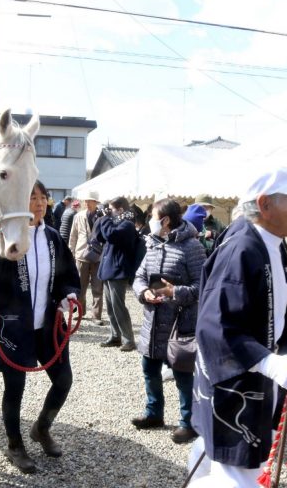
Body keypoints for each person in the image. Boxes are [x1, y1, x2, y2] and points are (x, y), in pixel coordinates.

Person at [189, 167, 287, 487]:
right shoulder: (242, 248)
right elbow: (215, 325)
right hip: (237, 378)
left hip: (257, 376)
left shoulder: (273, 242)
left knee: (214, 457)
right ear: (265, 204)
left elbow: (259, 301)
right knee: (237, 472)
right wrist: (269, 361)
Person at [0, 180, 80, 474]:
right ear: (19, 200)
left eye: (44, 197)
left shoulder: (53, 238)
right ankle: (14, 443)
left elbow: (68, 275)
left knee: (63, 379)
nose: (40, 202)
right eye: (32, 197)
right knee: (15, 387)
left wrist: (69, 295)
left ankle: (42, 428)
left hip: (48, 324)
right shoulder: (2, 236)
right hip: (14, 325)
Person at [131, 198, 206, 444]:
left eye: (153, 216)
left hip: (180, 322)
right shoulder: (152, 243)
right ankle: (154, 414)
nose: (149, 220)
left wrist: (176, 292)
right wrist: (144, 292)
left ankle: (189, 422)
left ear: (165, 220)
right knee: (149, 370)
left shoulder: (191, 246)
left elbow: (202, 287)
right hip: (153, 320)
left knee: (183, 375)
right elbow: (140, 275)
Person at [95, 196, 140, 351]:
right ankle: (115, 336)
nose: (109, 211)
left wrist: (106, 219)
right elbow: (99, 236)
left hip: (118, 271)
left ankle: (129, 339)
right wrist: (101, 219)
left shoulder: (127, 225)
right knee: (110, 306)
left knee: (118, 306)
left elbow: (111, 236)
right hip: (109, 269)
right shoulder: (114, 222)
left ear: (121, 209)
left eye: (112, 209)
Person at [69, 190, 104, 324]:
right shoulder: (78, 216)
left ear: (96, 203)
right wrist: (71, 253)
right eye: (86, 201)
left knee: (97, 287)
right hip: (81, 254)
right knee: (80, 287)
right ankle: (81, 312)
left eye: (90, 201)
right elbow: (73, 235)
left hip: (98, 256)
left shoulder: (101, 217)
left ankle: (96, 316)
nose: (87, 203)